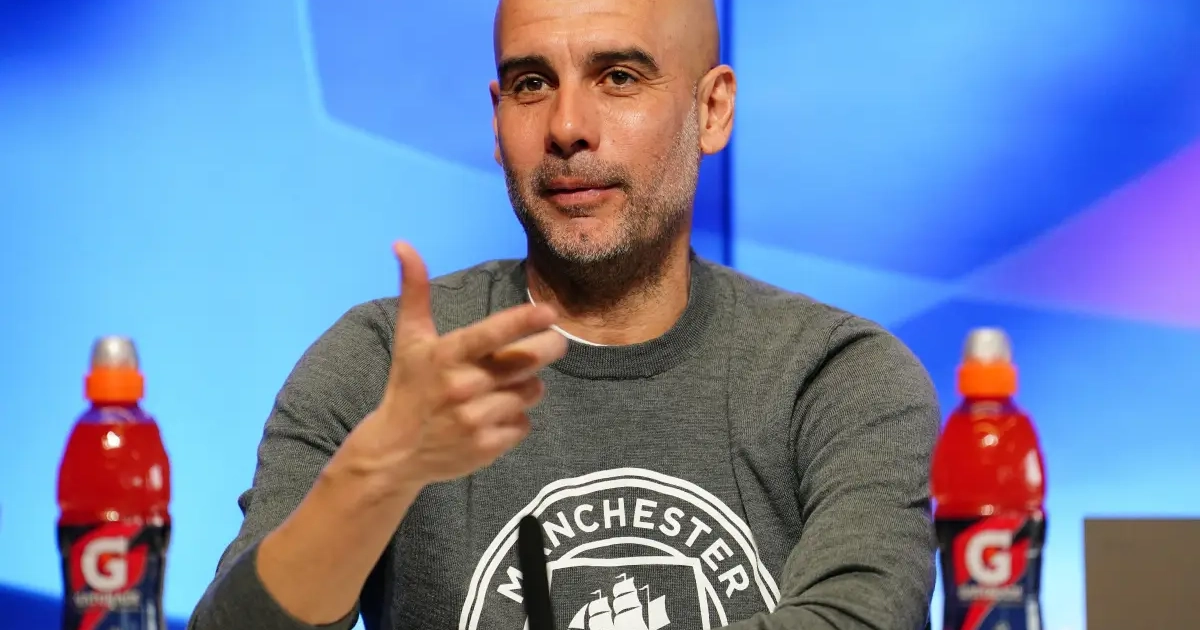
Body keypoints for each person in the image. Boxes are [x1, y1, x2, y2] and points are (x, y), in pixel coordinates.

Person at [188, 0, 940, 628]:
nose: (567, 126)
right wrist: (372, 475)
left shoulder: (834, 377)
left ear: (711, 110)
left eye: (619, 77)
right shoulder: (385, 366)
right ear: (496, 122)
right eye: (531, 84)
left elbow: (858, 618)